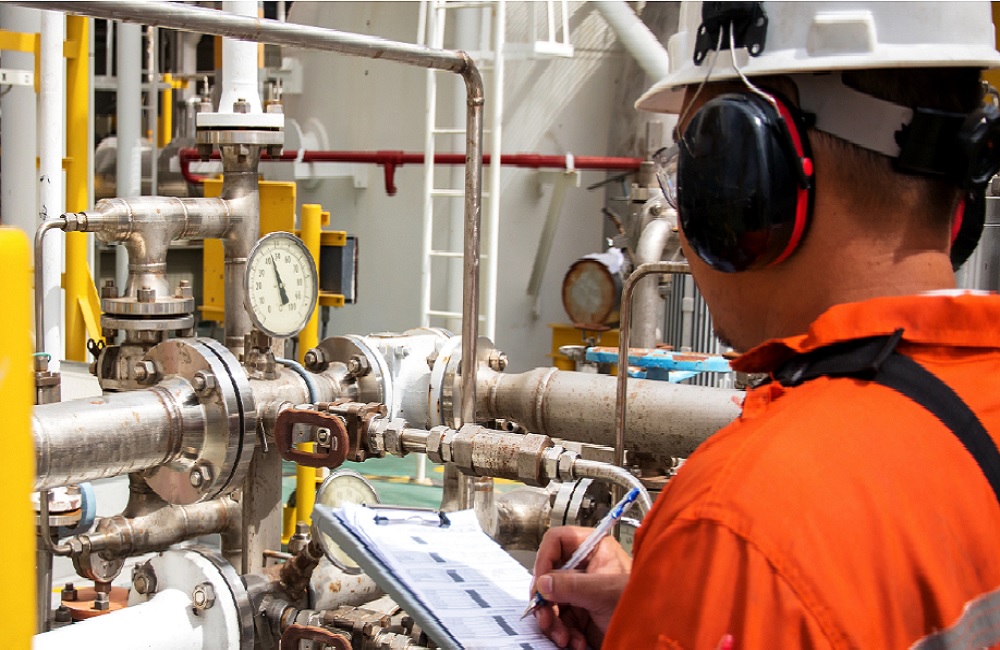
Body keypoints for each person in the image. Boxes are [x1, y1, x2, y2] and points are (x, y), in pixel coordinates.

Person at [531, 2, 1000, 648]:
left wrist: (703, 592)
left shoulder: (738, 526)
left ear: (742, 178)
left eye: (691, 166)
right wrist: (667, 608)